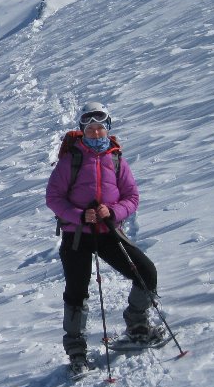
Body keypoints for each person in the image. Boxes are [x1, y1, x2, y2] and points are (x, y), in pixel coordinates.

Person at [45, 101, 163, 370]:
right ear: (82, 131)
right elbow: (53, 198)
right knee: (76, 292)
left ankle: (138, 324)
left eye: (100, 129)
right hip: (77, 236)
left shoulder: (116, 159)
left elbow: (132, 197)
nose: (96, 134)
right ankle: (76, 353)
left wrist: (112, 211)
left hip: (109, 231)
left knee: (145, 272)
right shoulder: (70, 160)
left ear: (107, 128)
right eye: (90, 130)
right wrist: (79, 215)